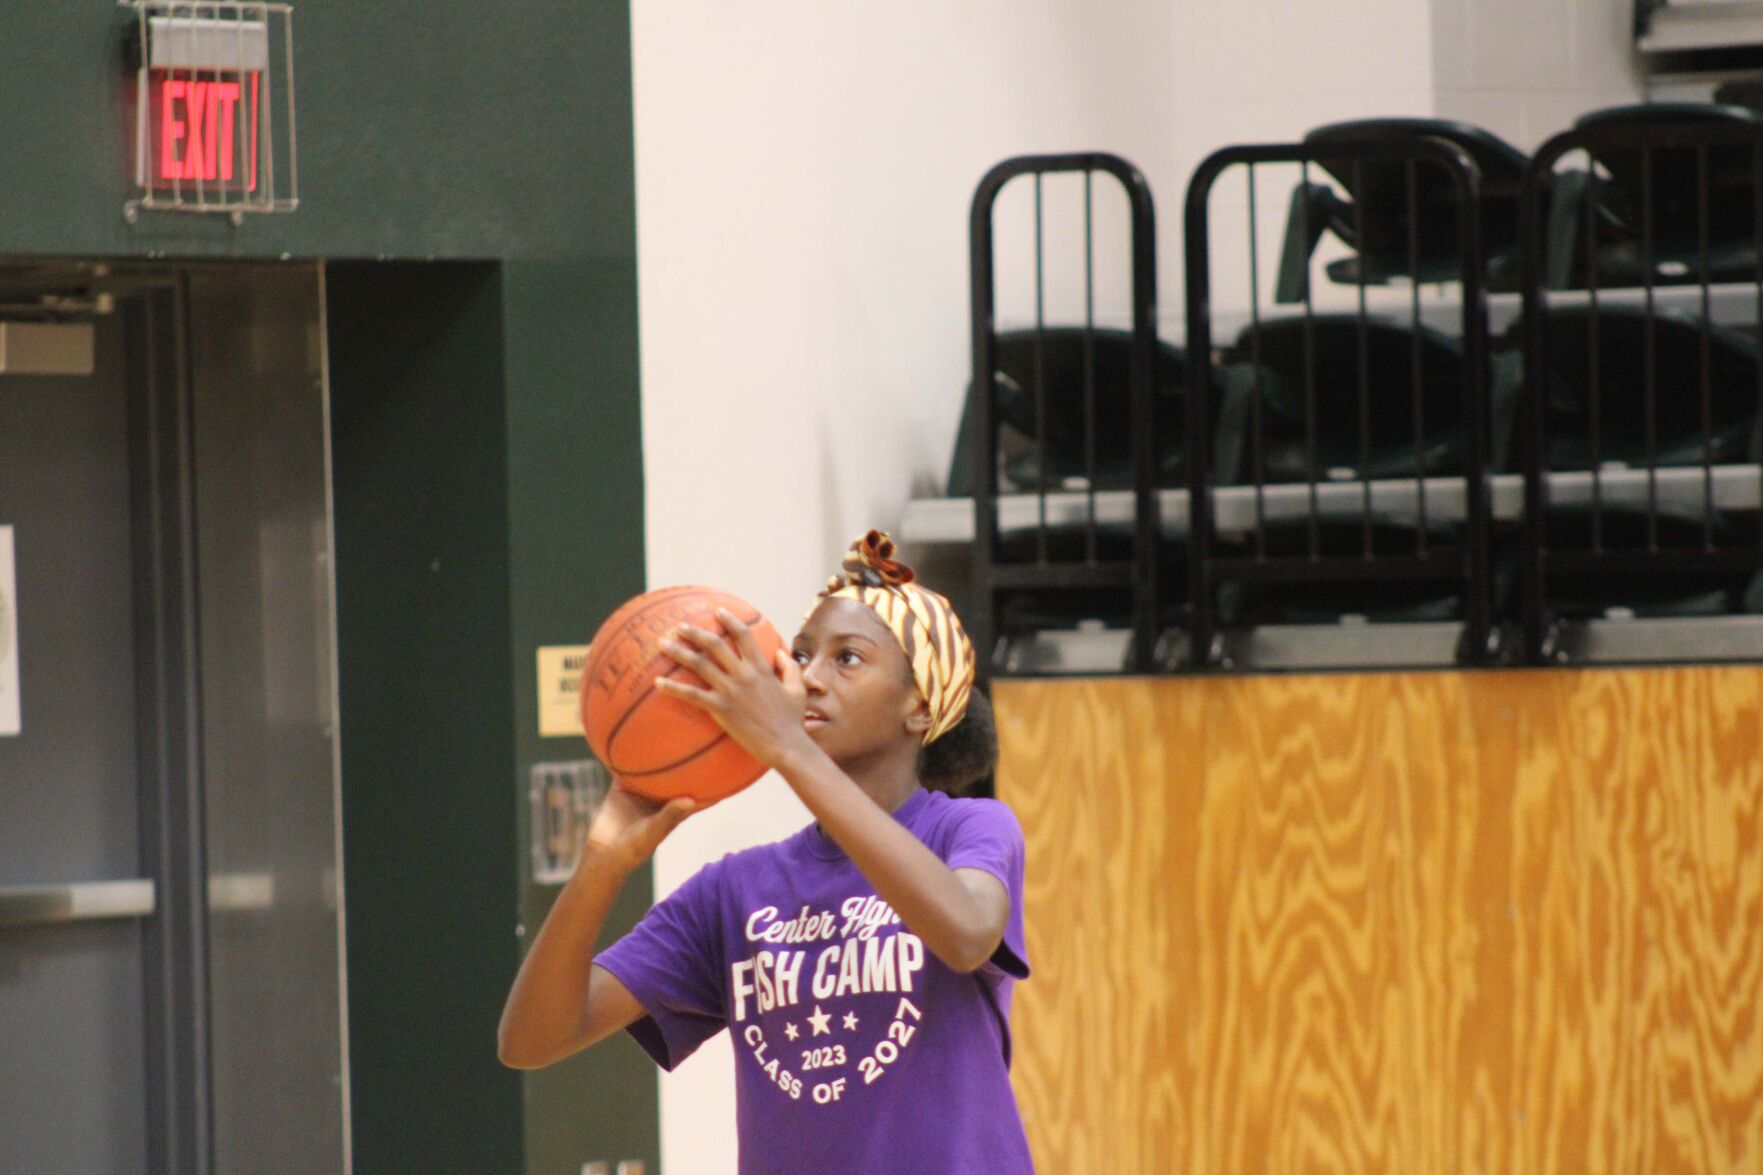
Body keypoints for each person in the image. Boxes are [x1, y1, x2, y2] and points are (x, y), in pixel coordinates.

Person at [498, 530, 1034, 1174]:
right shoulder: (734, 890)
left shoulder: (970, 829)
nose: (808, 678)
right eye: (801, 654)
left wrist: (790, 750)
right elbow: (531, 1040)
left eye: (848, 659)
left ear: (918, 704)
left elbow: (968, 932)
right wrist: (603, 864)